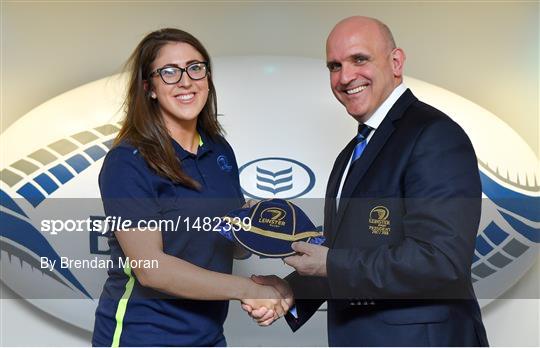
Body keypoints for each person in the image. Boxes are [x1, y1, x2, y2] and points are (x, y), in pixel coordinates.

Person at [245, 16, 489, 346]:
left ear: (396, 62)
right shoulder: (351, 155)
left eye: (360, 59)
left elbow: (440, 259)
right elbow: (348, 256)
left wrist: (329, 263)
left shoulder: (434, 135)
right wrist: (290, 292)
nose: (345, 77)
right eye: (334, 66)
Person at [92, 28, 289, 347]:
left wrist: (260, 223)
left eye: (195, 67)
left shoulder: (219, 150)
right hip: (141, 337)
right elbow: (151, 271)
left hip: (208, 337)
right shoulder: (127, 162)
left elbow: (235, 246)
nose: (186, 80)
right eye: (168, 72)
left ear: (207, 78)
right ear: (149, 88)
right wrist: (248, 290)